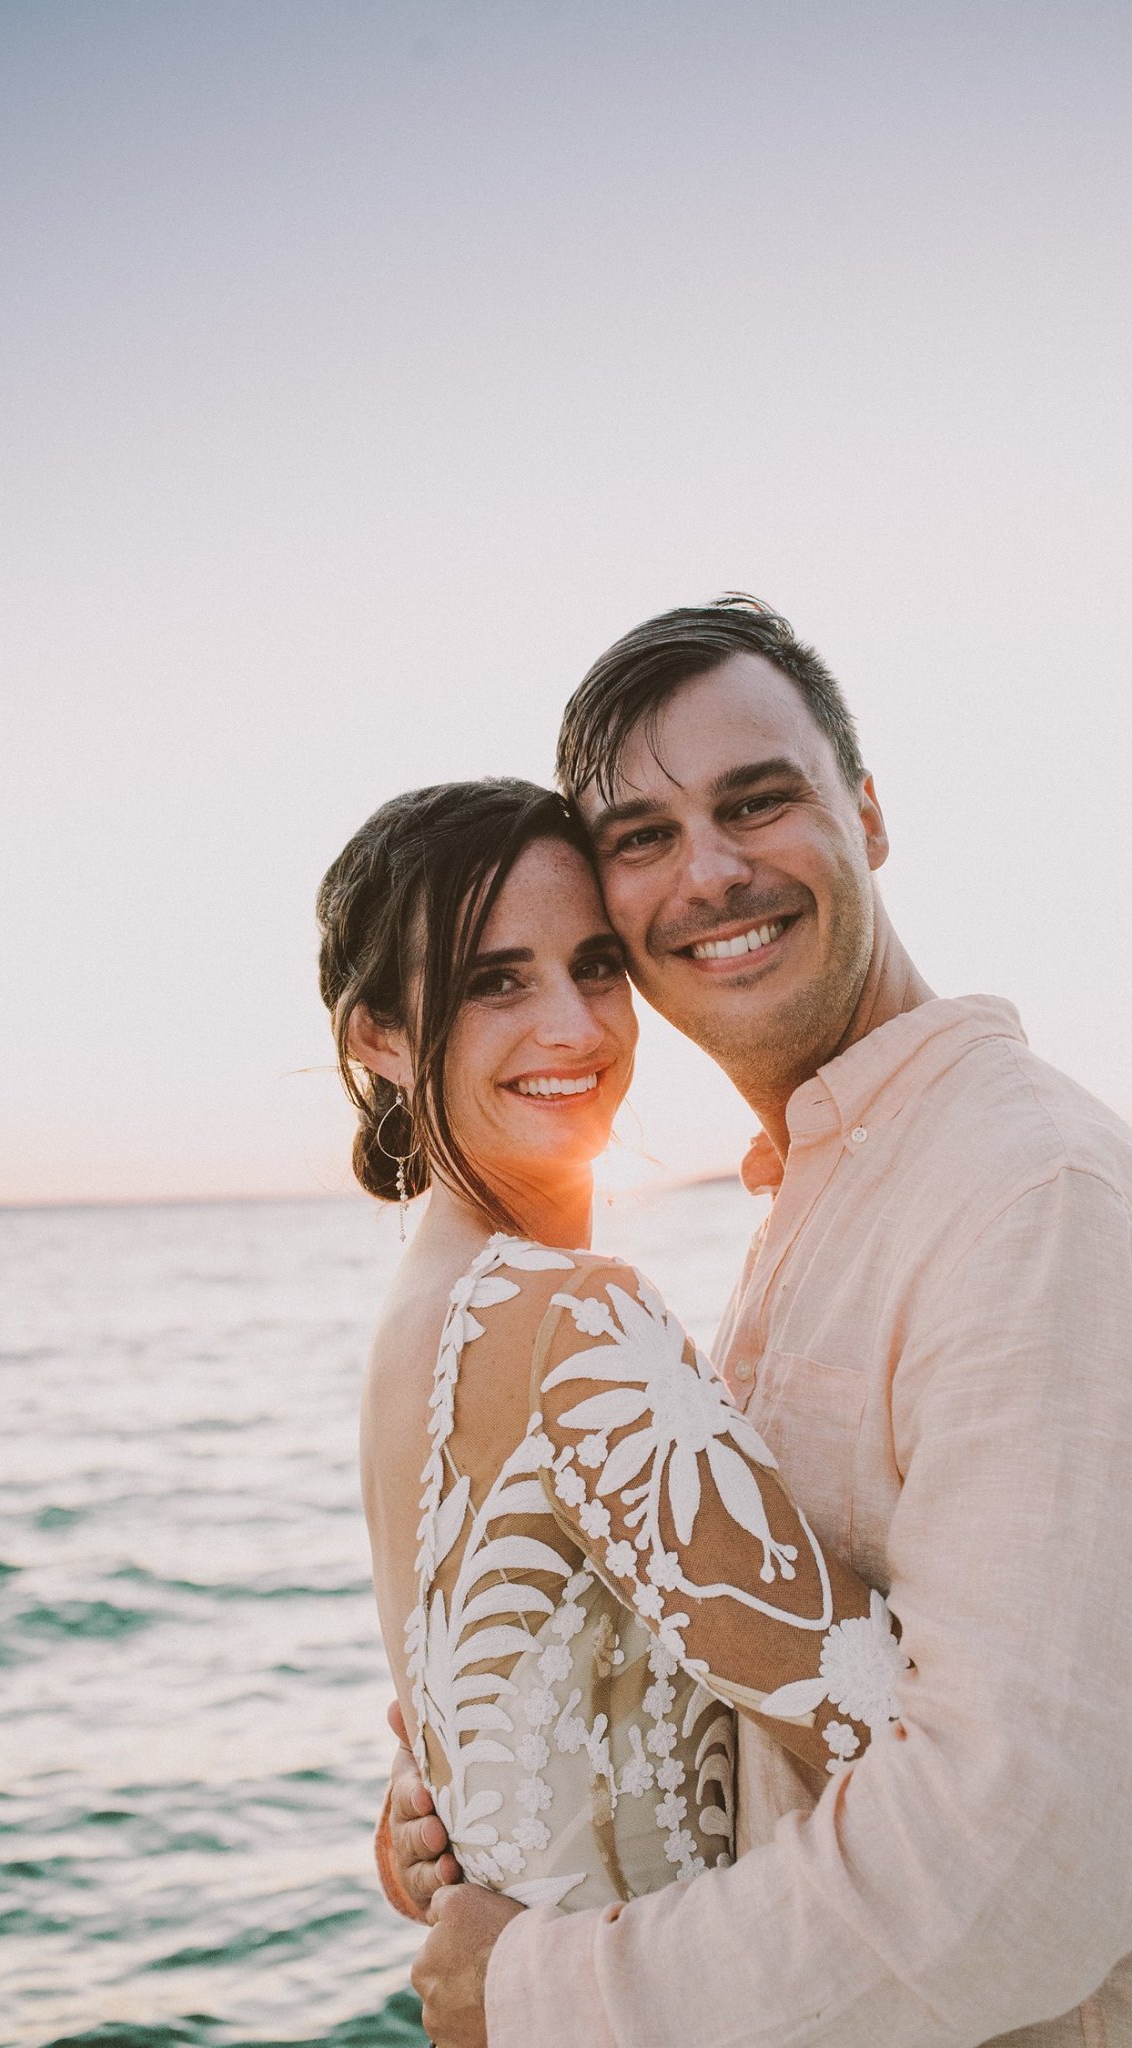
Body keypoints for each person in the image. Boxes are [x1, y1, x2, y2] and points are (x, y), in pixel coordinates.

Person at [392, 599, 1132, 2047]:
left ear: (864, 815)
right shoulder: (838, 1194)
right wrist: (500, 1789)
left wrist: (538, 1990)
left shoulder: (1021, 1194)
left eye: (758, 801)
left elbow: (1020, 1870)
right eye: (642, 838)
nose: (710, 873)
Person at [315, 778, 915, 1927]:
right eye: (498, 979)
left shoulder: (423, 1314)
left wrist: (415, 1837)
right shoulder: (566, 1316)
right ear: (380, 1037)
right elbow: (896, 1730)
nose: (577, 1026)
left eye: (596, 964)